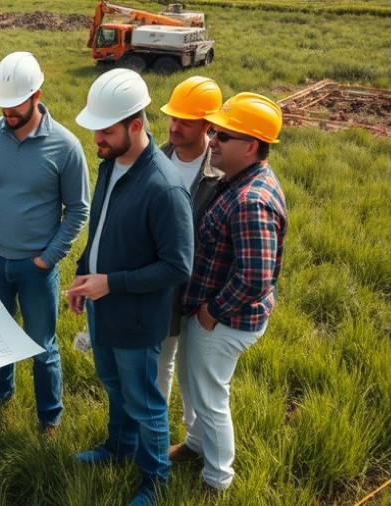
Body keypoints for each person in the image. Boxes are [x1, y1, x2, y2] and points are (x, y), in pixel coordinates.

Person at [67, 68, 193, 506]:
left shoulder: (165, 187)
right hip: (104, 307)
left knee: (145, 403)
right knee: (114, 387)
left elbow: (178, 266)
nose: (97, 138)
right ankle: (118, 448)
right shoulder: (109, 164)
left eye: (105, 130)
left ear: (135, 126)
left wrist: (111, 284)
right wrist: (84, 276)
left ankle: (155, 482)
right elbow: (100, 229)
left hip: (138, 321)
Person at [169, 93, 287, 493]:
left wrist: (211, 312)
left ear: (250, 146)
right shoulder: (237, 180)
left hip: (225, 321)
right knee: (194, 386)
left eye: (222, 135)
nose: (213, 139)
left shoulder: (251, 200)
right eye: (215, 131)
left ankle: (216, 480)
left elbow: (255, 277)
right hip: (210, 313)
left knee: (210, 399)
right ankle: (195, 444)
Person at [0, 51, 89, 435]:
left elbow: (78, 209)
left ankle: (49, 417)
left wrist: (47, 259)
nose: (7, 110)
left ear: (37, 93)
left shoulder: (65, 146)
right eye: (1, 103)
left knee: (42, 346)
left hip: (36, 268)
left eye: (15, 102)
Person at [156, 76, 223, 427]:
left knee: (195, 370)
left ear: (208, 126)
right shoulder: (155, 159)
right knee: (162, 362)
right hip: (163, 285)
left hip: (201, 291)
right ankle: (156, 431)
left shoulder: (222, 173)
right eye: (172, 118)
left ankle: (194, 436)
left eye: (186, 121)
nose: (175, 126)